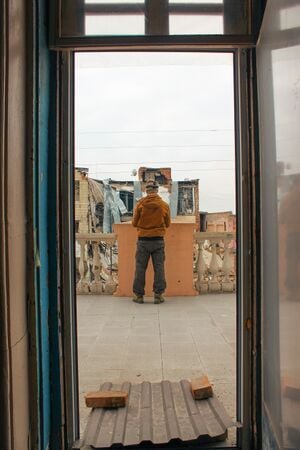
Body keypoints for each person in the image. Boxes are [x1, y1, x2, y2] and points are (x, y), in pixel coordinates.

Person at [132, 180, 170, 304]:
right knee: (159, 268)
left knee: (140, 268)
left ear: (146, 191)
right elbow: (168, 224)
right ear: (156, 190)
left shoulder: (140, 204)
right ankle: (158, 295)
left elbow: (134, 223)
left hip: (143, 241)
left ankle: (138, 296)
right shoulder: (164, 205)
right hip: (158, 241)